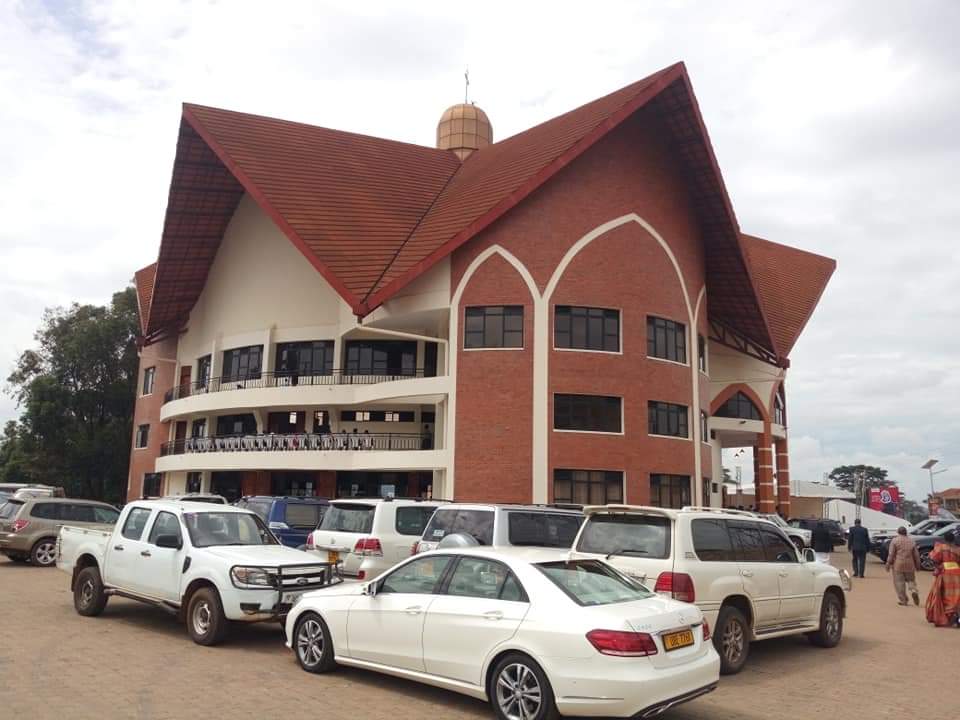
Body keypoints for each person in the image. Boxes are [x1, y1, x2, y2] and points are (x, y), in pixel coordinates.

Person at [925, 530, 960, 627]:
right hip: (957, 574)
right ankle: (956, 618)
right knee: (956, 596)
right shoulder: (958, 549)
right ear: (954, 539)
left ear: (945, 539)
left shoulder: (941, 548)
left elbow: (934, 559)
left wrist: (938, 567)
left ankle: (944, 618)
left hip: (945, 573)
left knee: (942, 595)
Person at [885, 526, 921, 606]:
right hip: (910, 565)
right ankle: (914, 591)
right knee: (911, 581)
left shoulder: (895, 541)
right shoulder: (912, 541)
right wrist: (918, 566)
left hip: (898, 565)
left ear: (898, 532)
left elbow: (891, 554)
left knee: (899, 583)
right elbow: (916, 555)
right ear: (906, 532)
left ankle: (904, 600)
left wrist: (888, 564)